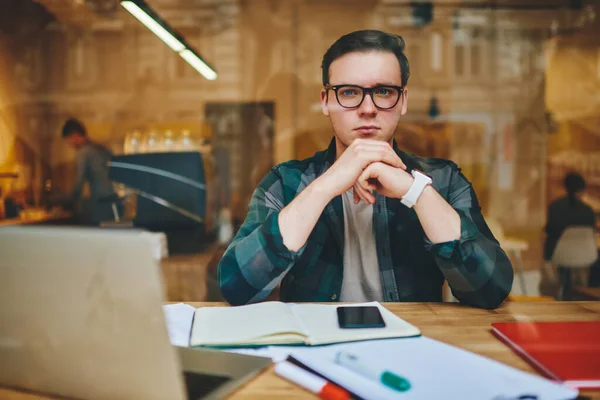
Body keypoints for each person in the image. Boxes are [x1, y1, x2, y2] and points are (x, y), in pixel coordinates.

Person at [218, 30, 513, 309]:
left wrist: (415, 192)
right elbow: (237, 286)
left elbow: (490, 290)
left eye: (383, 91)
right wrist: (326, 185)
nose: (368, 108)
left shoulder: (444, 181)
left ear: (403, 101)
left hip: (410, 349)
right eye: (348, 92)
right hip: (317, 350)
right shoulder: (286, 183)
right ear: (326, 101)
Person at [544, 172, 597, 298]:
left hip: (558, 256)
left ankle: (560, 292)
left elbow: (550, 230)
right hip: (584, 257)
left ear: (565, 187)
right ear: (583, 188)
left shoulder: (555, 207)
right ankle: (580, 292)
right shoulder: (588, 211)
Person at [60, 118, 118, 225]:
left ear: (75, 135)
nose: (70, 145)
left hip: (100, 204)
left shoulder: (83, 153)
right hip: (115, 201)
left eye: (69, 140)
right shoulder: (102, 149)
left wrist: (69, 203)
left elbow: (79, 182)